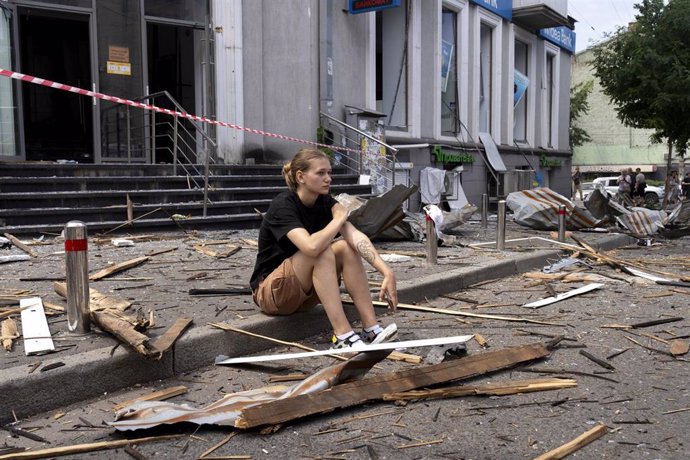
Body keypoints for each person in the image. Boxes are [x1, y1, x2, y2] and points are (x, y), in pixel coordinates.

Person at [250, 148, 398, 350]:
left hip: (306, 294)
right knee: (320, 250)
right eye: (320, 173)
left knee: (346, 247)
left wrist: (386, 271)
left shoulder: (325, 202)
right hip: (272, 294)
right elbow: (310, 247)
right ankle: (343, 336)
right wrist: (338, 218)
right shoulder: (283, 206)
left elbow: (355, 237)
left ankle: (371, 329)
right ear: (301, 176)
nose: (328, 178)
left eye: (329, 173)